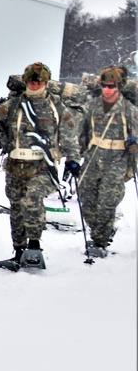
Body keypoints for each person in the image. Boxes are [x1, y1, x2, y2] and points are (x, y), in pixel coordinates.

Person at [0, 62, 81, 267]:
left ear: (46, 82)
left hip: (43, 166)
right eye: (31, 82)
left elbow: (69, 136)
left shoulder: (57, 106)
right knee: (17, 208)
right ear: (26, 82)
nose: (35, 85)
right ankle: (19, 250)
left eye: (39, 82)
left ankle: (34, 247)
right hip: (16, 164)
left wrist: (73, 160)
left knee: (33, 197)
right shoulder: (12, 105)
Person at [75, 66, 138, 257]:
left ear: (118, 87)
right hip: (93, 157)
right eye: (104, 85)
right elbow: (81, 132)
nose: (107, 89)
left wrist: (134, 145)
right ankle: (100, 230)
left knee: (107, 201)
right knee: (86, 196)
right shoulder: (91, 107)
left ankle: (99, 240)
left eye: (111, 86)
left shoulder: (129, 110)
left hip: (117, 159)